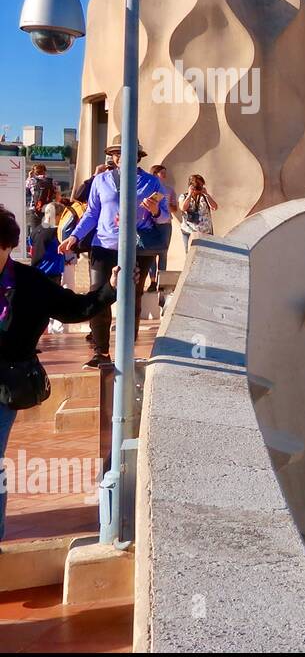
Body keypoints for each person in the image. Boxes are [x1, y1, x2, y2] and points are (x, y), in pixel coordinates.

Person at [0, 205, 120, 545]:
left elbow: (75, 309)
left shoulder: (31, 284)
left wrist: (108, 289)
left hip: (7, 385)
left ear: (7, 247)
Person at [58, 136, 167, 369]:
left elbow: (165, 216)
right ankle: (101, 352)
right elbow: (91, 213)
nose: (118, 156)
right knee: (99, 295)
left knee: (133, 298)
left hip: (139, 248)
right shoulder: (101, 180)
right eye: (115, 152)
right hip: (103, 245)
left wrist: (156, 210)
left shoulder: (151, 182)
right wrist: (74, 236)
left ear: (136, 156)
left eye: (123, 151)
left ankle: (127, 350)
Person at [145, 164, 180, 292]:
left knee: (163, 252)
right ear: (155, 174)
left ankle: (162, 281)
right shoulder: (148, 189)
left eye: (165, 173)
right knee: (151, 253)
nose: (165, 175)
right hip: (151, 223)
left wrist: (165, 204)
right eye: (162, 173)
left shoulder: (169, 190)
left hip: (165, 224)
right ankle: (153, 281)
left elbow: (175, 209)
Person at [178, 174, 219, 252]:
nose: (200, 188)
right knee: (190, 254)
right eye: (198, 186)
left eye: (201, 185)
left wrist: (207, 195)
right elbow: (183, 208)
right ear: (191, 186)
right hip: (189, 231)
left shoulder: (205, 197)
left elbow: (215, 207)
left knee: (207, 254)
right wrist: (190, 194)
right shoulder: (183, 196)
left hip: (205, 232)